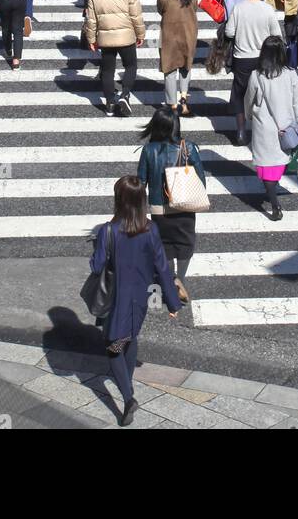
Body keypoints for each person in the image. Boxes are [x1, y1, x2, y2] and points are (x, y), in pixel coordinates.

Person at [88, 176, 181, 425]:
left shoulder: (109, 230)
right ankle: (126, 382)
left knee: (112, 346)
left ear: (119, 200)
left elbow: (97, 267)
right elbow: (162, 267)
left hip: (115, 299)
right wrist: (172, 303)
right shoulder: (150, 229)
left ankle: (128, 398)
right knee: (129, 337)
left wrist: (97, 247)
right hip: (141, 297)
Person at [137, 107, 206, 304]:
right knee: (186, 244)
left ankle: (171, 278)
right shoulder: (189, 147)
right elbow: (200, 178)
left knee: (164, 245)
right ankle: (180, 280)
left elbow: (141, 181)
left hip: (159, 209)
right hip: (184, 204)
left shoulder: (149, 150)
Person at [245, 36, 298, 220]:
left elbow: (248, 99)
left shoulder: (257, 75)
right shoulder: (291, 74)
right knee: (279, 163)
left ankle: (275, 204)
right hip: (285, 126)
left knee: (265, 166)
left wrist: (248, 116)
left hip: (264, 126)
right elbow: (297, 103)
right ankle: (274, 196)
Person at [225, 0, 282, 146]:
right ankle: (261, 130)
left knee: (240, 94)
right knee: (262, 93)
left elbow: (229, 32)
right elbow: (277, 35)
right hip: (263, 58)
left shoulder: (239, 8)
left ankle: (241, 131)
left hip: (242, 58)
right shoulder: (267, 9)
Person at [83, 0, 145, 117]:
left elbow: (91, 19)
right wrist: (140, 34)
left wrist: (91, 39)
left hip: (105, 38)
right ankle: (125, 95)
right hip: (126, 36)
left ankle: (110, 103)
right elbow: (136, 15)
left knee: (107, 70)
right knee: (130, 65)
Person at [156, 0, 198, 117]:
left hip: (169, 36)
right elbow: (195, 9)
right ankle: (183, 100)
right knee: (186, 67)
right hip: (189, 34)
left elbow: (161, 10)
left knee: (169, 69)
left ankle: (172, 104)